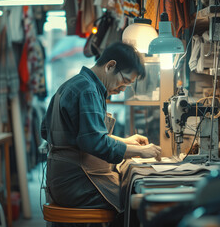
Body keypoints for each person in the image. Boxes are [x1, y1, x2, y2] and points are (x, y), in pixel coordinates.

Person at [41, 42, 161, 220]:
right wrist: (141, 152)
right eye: (125, 81)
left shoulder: (75, 84)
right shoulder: (88, 91)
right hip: (77, 183)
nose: (122, 89)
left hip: (61, 180)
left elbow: (65, 134)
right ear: (110, 66)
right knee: (136, 200)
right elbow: (94, 142)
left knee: (131, 188)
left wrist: (126, 141)